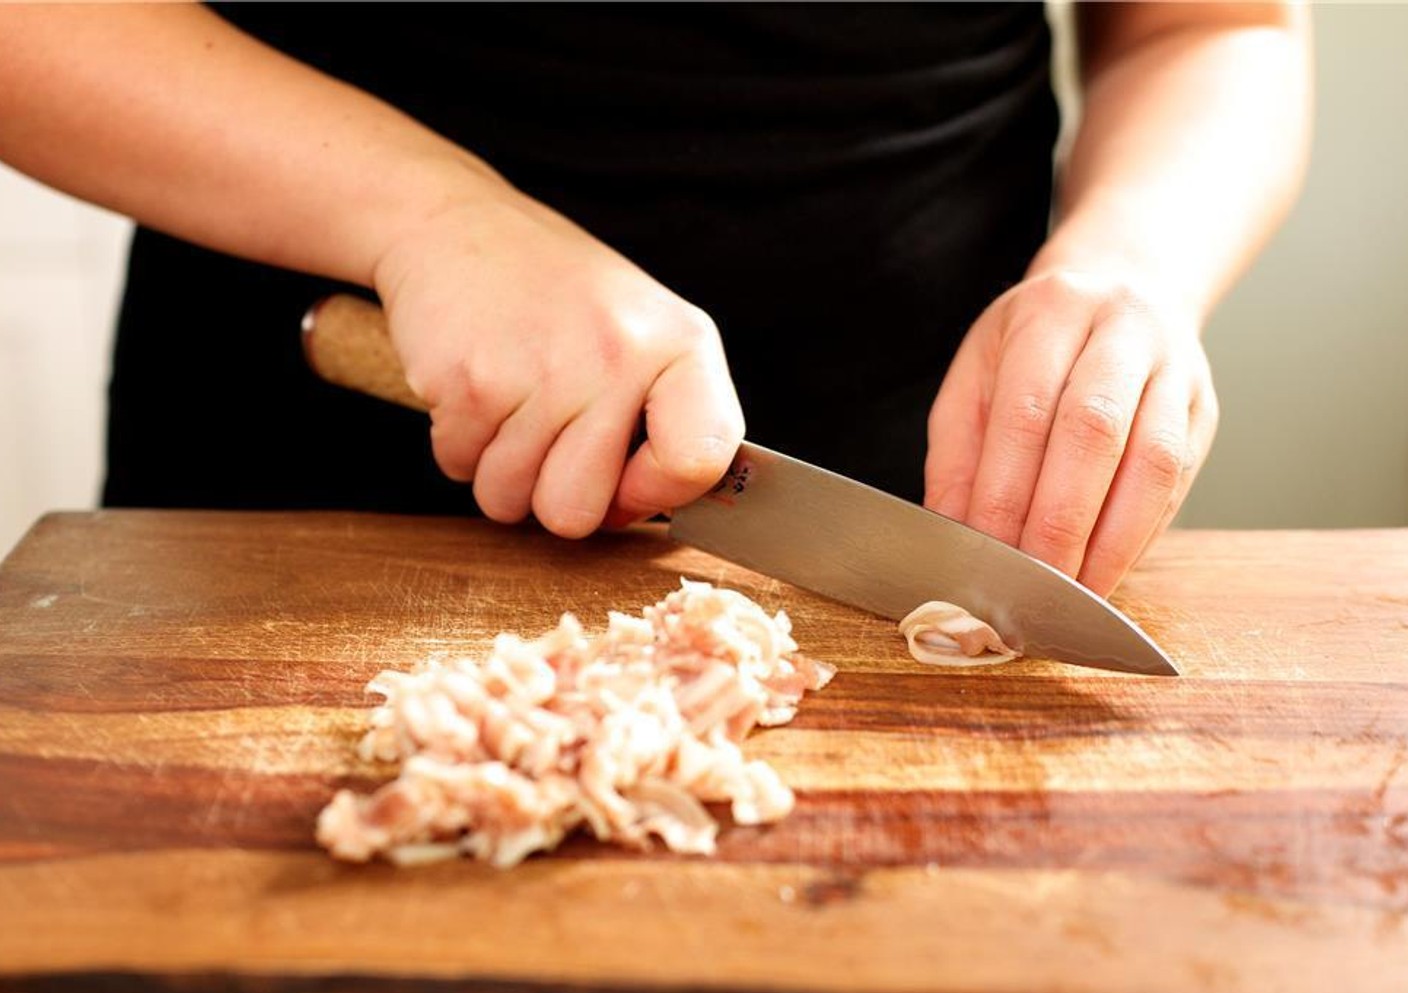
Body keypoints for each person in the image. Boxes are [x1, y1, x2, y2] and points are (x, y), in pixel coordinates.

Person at [0, 3, 1311, 597]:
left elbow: (1211, 28)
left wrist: (1130, 265)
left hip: (911, 484)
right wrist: (426, 217)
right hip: (297, 450)